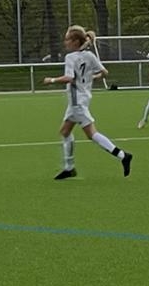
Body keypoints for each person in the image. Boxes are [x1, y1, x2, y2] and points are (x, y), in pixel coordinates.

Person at [42, 25, 132, 180]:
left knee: (92, 134)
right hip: (82, 99)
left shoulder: (70, 57)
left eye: (67, 39)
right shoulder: (90, 56)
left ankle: (123, 155)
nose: (65, 42)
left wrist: (51, 80)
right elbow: (104, 73)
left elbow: (69, 78)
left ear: (76, 41)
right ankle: (69, 167)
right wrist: (91, 77)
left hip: (77, 101)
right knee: (65, 131)